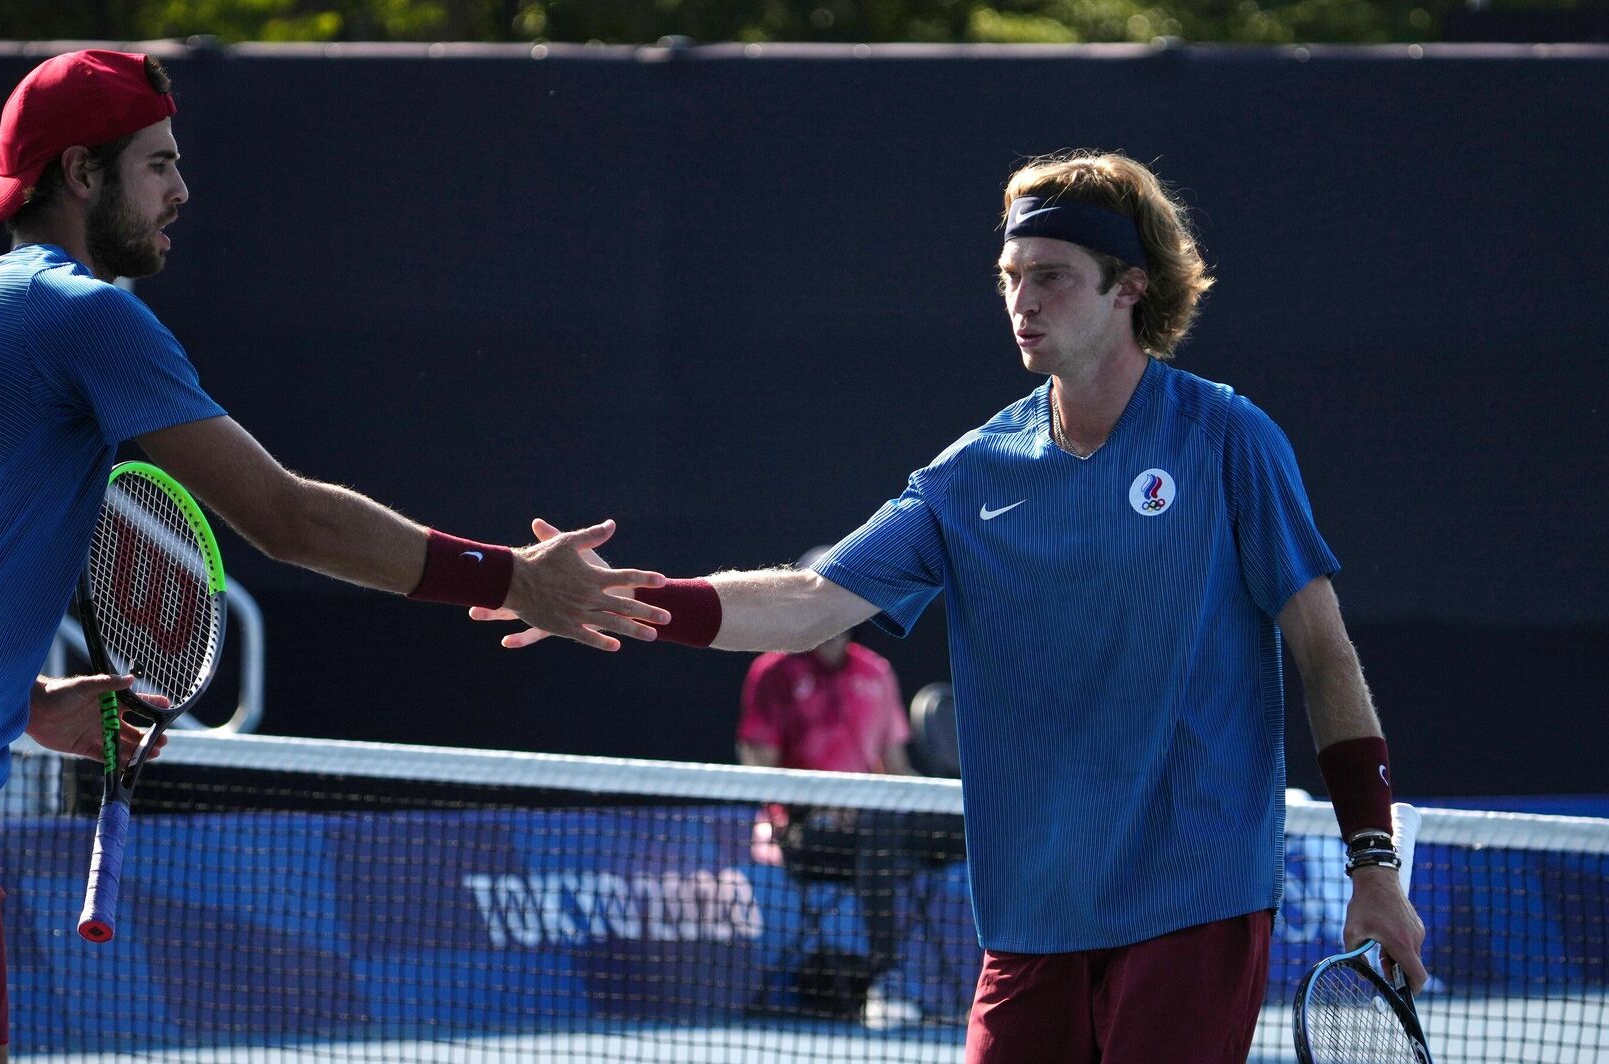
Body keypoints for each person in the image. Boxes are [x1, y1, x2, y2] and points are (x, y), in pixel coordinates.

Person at [0, 49, 669, 1064]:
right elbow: (289, 520)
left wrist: (24, 698)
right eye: (157, 164)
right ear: (82, 175)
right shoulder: (80, 314)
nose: (181, 189)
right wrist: (514, 576)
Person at [478, 151, 1427, 1062]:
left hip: (1196, 894)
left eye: (1051, 276)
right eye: (1010, 275)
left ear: (1130, 286)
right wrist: (625, 599)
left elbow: (1325, 656)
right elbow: (811, 603)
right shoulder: (969, 476)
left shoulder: (1229, 440)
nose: (1021, 300)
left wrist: (1373, 867)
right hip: (1030, 912)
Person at [737, 549, 962, 1027]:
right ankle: (885, 980)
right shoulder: (773, 673)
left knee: (973, 825)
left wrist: (944, 802)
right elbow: (760, 769)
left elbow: (897, 771)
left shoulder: (875, 672)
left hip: (874, 824)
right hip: (807, 834)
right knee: (879, 829)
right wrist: (819, 803)